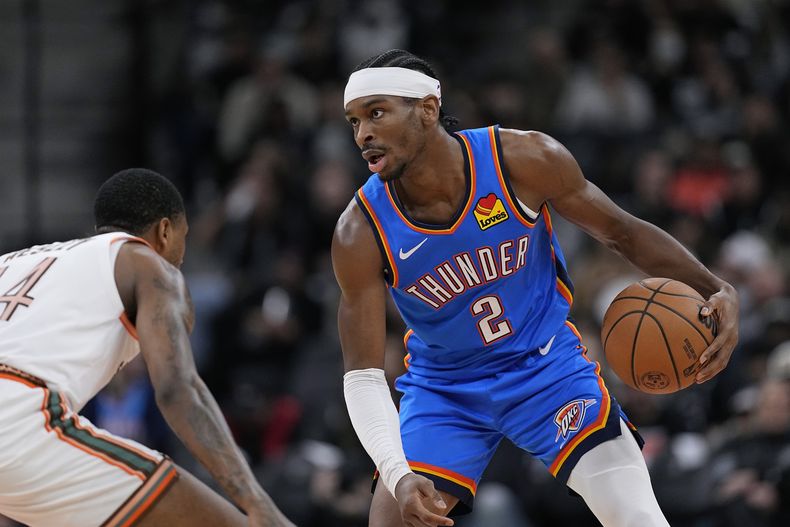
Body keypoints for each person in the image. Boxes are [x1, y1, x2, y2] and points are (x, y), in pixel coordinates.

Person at [332, 49, 740, 527]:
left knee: (635, 515)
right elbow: (361, 377)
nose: (362, 135)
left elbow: (622, 232)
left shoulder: (521, 160)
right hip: (446, 389)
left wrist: (714, 286)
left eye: (376, 113)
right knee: (391, 521)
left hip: (545, 365)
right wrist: (398, 473)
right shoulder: (360, 230)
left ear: (427, 109)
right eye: (354, 121)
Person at [0, 169, 294, 527]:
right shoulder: (146, 263)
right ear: (165, 231)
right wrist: (255, 500)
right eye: (183, 240)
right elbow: (178, 391)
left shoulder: (14, 262)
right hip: (18, 420)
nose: (182, 258)